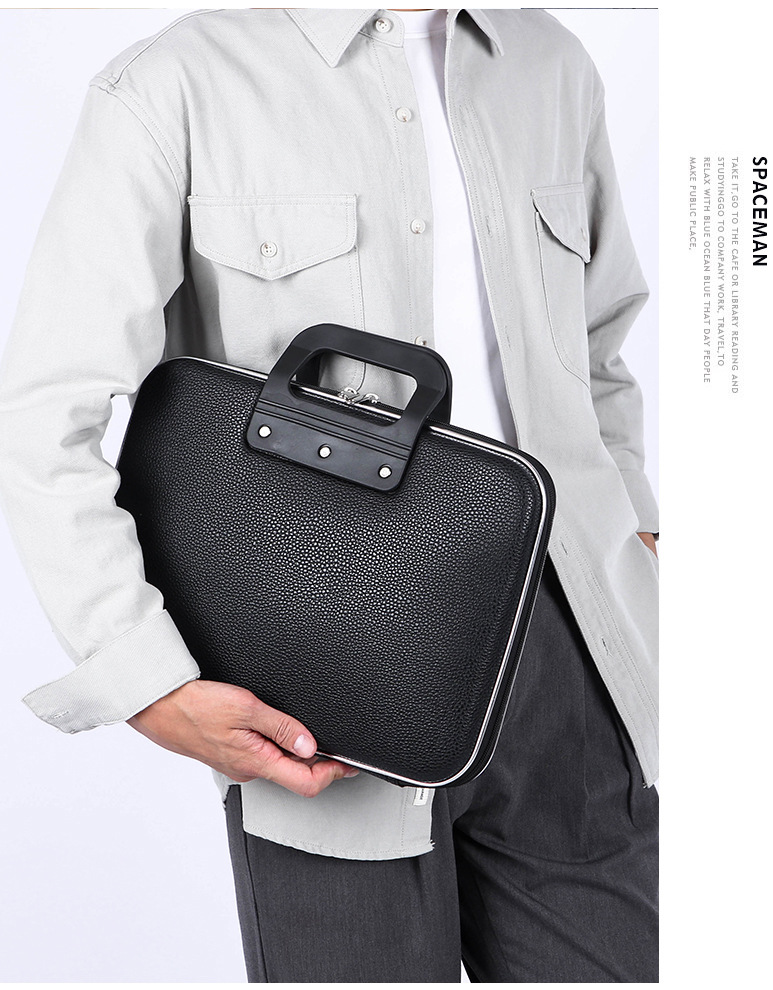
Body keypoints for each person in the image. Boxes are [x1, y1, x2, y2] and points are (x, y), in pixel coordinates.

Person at [0, 8, 658, 983]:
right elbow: (45, 412)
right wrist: (143, 678)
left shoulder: (552, 62)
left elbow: (600, 349)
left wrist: (642, 529)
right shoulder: (176, 82)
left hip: (572, 648)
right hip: (324, 684)